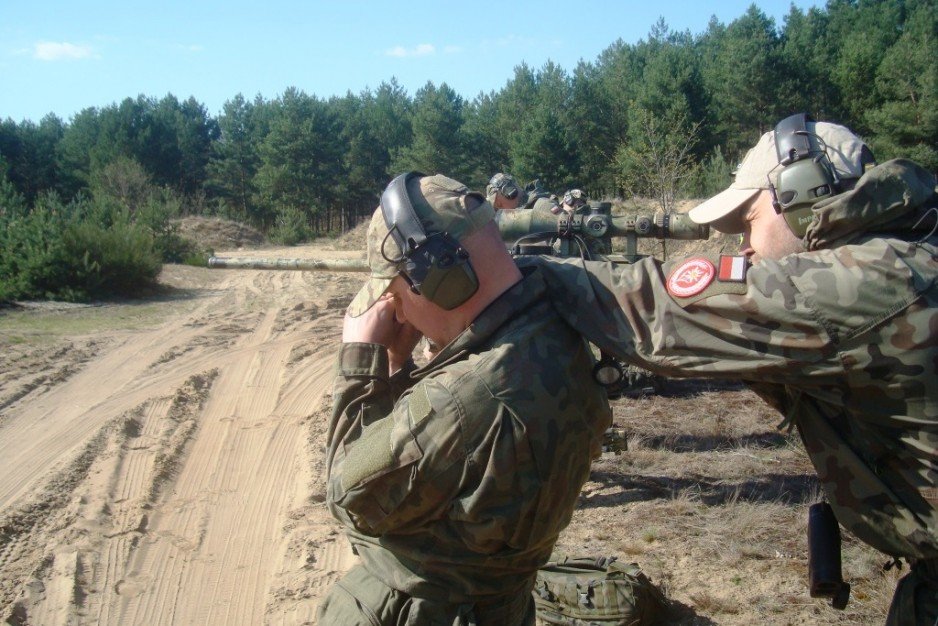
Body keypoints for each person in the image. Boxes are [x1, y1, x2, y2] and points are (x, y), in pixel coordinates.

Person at [524, 114, 937, 624]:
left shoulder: (864, 283)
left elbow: (656, 313)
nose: (745, 245)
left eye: (749, 222)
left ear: (803, 197)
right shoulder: (914, 252)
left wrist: (520, 271)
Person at [319, 173, 612, 624]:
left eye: (394, 294)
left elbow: (348, 494)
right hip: (503, 599)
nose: (395, 311)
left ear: (442, 280)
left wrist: (365, 364)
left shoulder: (456, 402)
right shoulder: (554, 327)